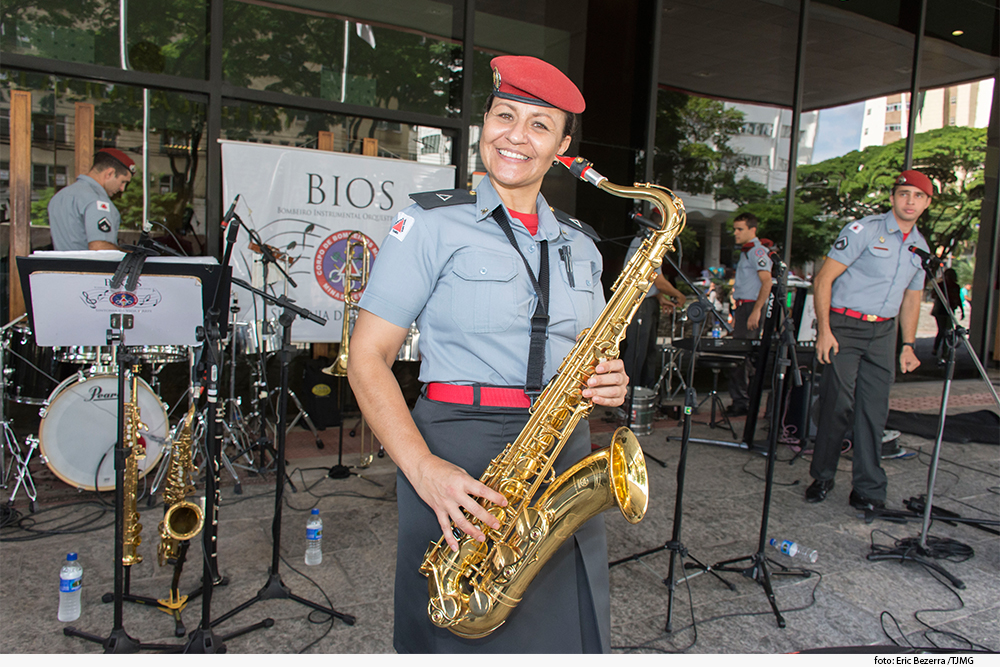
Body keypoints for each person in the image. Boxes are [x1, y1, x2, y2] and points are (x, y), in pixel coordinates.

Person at [347, 55, 628, 653]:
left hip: (560, 447)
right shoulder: (428, 222)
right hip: (456, 446)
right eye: (506, 116)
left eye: (539, 125)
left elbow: (594, 351)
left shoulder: (583, 245)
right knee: (458, 633)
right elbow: (366, 358)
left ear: (562, 147)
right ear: (484, 123)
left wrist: (612, 381)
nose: (516, 137)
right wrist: (424, 470)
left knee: (567, 638)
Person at [805, 169, 932, 511]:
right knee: (837, 404)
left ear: (926, 204)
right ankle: (823, 475)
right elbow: (823, 280)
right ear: (893, 198)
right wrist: (825, 330)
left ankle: (868, 488)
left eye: (918, 196)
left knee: (873, 411)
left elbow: (911, 298)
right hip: (845, 325)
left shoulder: (920, 248)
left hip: (884, 333)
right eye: (904, 194)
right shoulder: (863, 230)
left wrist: (908, 345)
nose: (910, 201)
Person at [621, 227, 686, 389]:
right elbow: (659, 281)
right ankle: (629, 397)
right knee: (637, 351)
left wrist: (660, 297)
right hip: (639, 302)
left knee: (649, 351)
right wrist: (679, 295)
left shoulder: (652, 242)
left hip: (648, 300)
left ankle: (646, 394)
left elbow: (648, 278)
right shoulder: (646, 241)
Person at [728, 212, 773, 416]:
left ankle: (744, 401)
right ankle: (741, 399)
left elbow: (767, 282)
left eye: (740, 229)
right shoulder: (746, 252)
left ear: (752, 230)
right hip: (743, 306)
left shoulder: (757, 251)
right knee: (738, 356)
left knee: (742, 356)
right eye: (735, 229)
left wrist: (756, 311)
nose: (735, 233)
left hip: (751, 307)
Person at [47, 147, 134, 251]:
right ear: (109, 173)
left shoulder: (60, 196)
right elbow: (100, 249)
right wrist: (132, 255)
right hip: (90, 267)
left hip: (61, 266)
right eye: (123, 182)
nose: (122, 189)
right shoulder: (97, 201)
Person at [931, 267, 964, 364]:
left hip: (950, 311)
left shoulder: (955, 287)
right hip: (940, 310)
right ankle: (936, 348)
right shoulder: (940, 285)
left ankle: (944, 352)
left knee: (948, 331)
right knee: (941, 330)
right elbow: (933, 295)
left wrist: (962, 311)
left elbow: (958, 299)